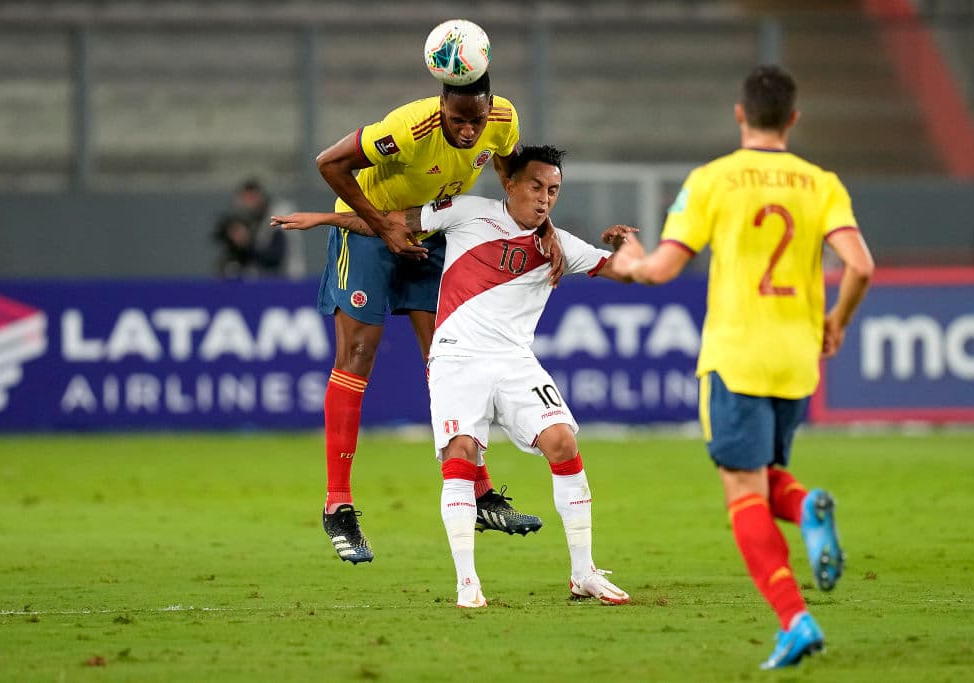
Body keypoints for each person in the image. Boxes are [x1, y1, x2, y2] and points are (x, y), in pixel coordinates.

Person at [274, 144, 635, 607]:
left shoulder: (559, 244)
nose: (544, 198)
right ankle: (468, 584)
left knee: (563, 442)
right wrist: (326, 219)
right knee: (460, 453)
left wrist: (628, 245)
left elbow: (633, 273)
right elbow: (391, 224)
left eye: (553, 190)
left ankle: (583, 573)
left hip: (515, 361)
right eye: (535, 186)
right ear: (509, 183)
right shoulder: (467, 212)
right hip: (457, 359)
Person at [608, 65, 875, 668]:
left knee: (742, 491)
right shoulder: (820, 183)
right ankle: (805, 508)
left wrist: (631, 261)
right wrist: (837, 322)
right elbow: (861, 265)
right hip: (796, 359)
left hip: (736, 356)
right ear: (793, 118)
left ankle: (795, 619)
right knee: (764, 475)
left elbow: (662, 270)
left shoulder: (714, 180)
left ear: (739, 114)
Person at [305, 72, 562, 564]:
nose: (468, 131)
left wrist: (542, 224)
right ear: (441, 106)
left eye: (475, 121)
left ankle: (481, 494)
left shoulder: (503, 118)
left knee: (452, 355)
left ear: (489, 108)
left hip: (430, 232)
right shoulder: (408, 127)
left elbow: (510, 172)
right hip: (369, 230)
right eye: (457, 120)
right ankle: (338, 504)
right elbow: (329, 163)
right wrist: (381, 226)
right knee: (357, 354)